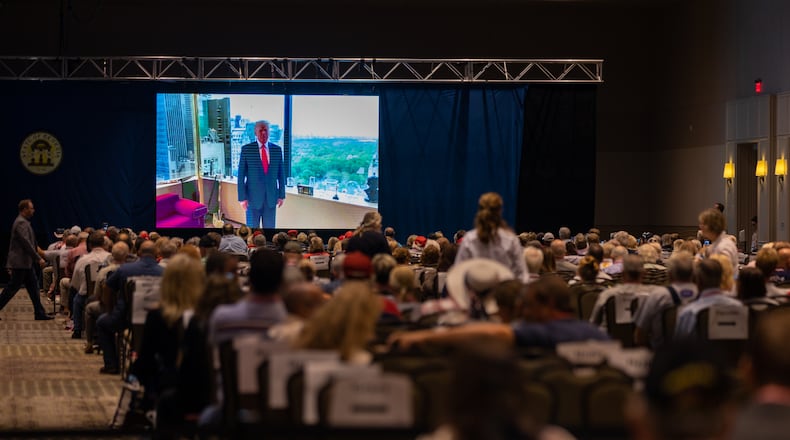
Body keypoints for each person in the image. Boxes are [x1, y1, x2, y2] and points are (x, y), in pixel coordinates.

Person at [455, 192, 528, 282]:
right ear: (500, 211)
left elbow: (459, 273)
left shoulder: (469, 239)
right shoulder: (511, 239)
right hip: (504, 292)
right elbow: (522, 275)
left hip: (476, 293)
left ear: (479, 210)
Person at [0, 199, 52, 320]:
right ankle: (39, 312)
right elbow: (26, 243)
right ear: (24, 209)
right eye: (31, 208)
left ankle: (39, 312)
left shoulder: (23, 222)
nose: (33, 210)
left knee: (34, 288)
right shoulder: (21, 223)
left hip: (25, 263)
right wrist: (38, 258)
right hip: (20, 262)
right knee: (12, 288)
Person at [237, 120, 286, 228]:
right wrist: (242, 198)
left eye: (266, 130)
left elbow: (281, 175)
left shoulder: (277, 150)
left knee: (269, 229)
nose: (263, 133)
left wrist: (281, 195)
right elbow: (241, 176)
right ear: (255, 132)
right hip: (252, 199)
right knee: (251, 230)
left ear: (269, 132)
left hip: (271, 198)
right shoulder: (246, 150)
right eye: (261, 130)